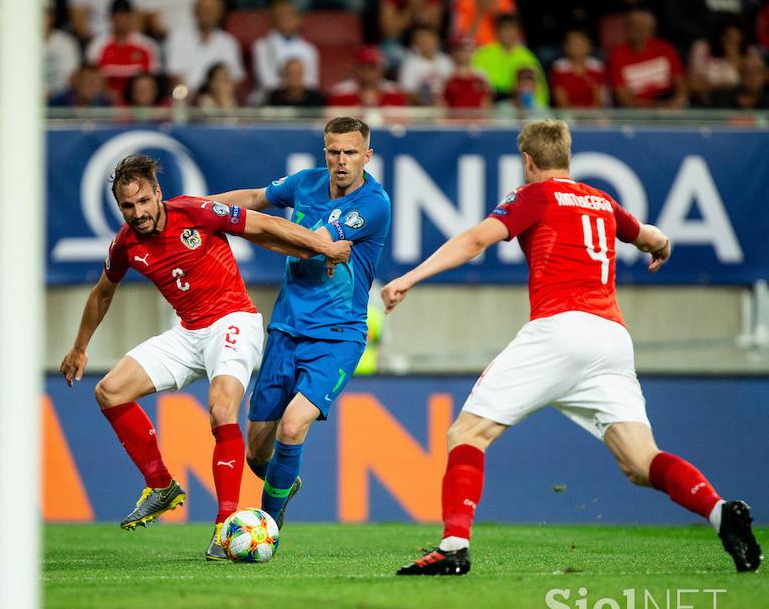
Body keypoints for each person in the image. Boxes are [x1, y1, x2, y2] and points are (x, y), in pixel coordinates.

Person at [381, 119, 762, 576]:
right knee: (641, 461)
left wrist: (407, 278)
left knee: (466, 435)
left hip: (559, 330)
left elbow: (476, 240)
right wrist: (662, 245)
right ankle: (721, 512)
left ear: (527, 160)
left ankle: (454, 546)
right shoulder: (601, 201)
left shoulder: (533, 196)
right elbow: (650, 236)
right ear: (567, 155)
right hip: (612, 340)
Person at [59, 154, 352, 560]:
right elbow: (102, 292)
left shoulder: (194, 211)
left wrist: (322, 247)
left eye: (144, 201)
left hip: (233, 320)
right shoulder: (126, 242)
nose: (138, 213)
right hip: (189, 332)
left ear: (157, 193)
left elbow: (263, 224)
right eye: (128, 206)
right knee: (109, 391)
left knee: (220, 409)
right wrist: (79, 347)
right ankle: (161, 485)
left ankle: (225, 526)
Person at [204, 116, 392, 530]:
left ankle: (266, 528)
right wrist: (199, 211)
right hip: (286, 329)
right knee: (257, 452)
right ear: (325, 151)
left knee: (293, 425)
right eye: (334, 152)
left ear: (367, 155)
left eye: (350, 152)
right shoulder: (305, 182)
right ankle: (283, 484)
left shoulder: (373, 204)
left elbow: (306, 243)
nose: (341, 161)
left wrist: (249, 229)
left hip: (337, 335)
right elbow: (254, 197)